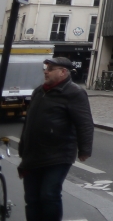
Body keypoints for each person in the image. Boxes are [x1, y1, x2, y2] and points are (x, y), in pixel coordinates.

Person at [19, 56, 94, 221]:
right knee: (31, 197)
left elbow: (85, 123)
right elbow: (30, 121)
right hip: (33, 154)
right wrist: (23, 145)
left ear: (63, 72)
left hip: (58, 154)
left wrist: (85, 149)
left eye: (50, 69)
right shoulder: (39, 91)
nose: (46, 72)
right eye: (45, 68)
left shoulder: (74, 93)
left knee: (49, 194)